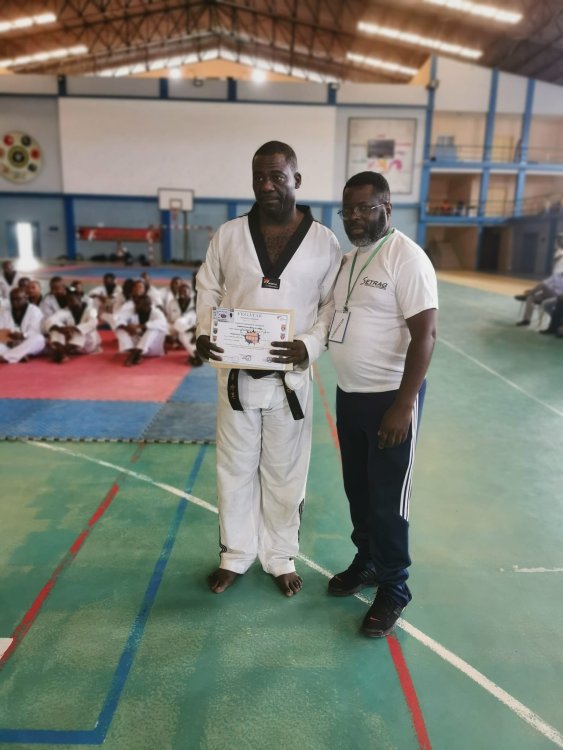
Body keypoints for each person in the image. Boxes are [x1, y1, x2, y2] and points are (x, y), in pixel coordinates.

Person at [196, 140, 341, 597]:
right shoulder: (229, 235)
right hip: (236, 377)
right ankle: (235, 554)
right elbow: (208, 288)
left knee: (286, 473)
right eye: (259, 176)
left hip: (290, 379)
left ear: (296, 179)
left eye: (277, 176)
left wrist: (310, 345)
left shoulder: (324, 242)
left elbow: (331, 306)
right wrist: (204, 332)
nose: (267, 185)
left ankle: (280, 556)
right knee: (234, 468)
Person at [327, 171, 438, 637]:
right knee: (359, 490)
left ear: (386, 208)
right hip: (349, 395)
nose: (354, 217)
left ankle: (394, 587)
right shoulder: (350, 258)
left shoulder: (406, 258)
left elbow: (426, 335)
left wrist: (403, 405)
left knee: (388, 501)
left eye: (364, 208)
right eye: (347, 209)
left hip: (390, 399)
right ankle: (368, 560)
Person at [46, 287, 100, 363]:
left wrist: (73, 329)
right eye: (68, 301)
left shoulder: (91, 310)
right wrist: (61, 329)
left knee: (80, 332)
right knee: (55, 328)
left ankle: (62, 352)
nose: (69, 303)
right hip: (70, 342)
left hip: (87, 343)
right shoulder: (66, 310)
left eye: (71, 300)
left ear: (80, 299)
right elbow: (50, 320)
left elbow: (94, 322)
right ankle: (61, 351)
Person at [115, 292, 168, 366]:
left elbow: (162, 323)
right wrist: (127, 328)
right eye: (137, 304)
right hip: (136, 342)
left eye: (141, 305)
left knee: (153, 329)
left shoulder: (157, 312)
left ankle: (134, 355)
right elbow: (118, 319)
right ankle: (134, 352)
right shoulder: (133, 310)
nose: (138, 306)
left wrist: (140, 326)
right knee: (120, 328)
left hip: (152, 348)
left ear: (148, 305)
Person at [0, 287, 45, 363]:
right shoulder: (5, 312)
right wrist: (7, 341)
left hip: (26, 343)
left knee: (39, 339)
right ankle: (18, 355)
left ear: (26, 298)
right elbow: (1, 330)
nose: (14, 302)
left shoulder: (35, 311)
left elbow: (34, 331)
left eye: (18, 299)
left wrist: (23, 335)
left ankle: (6, 356)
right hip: (9, 344)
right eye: (12, 299)